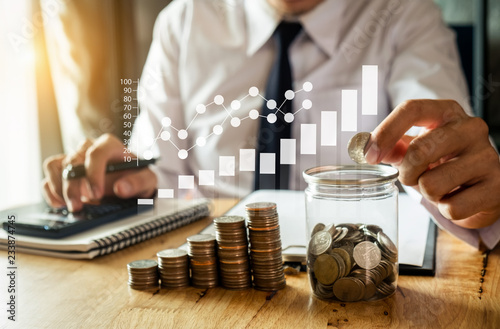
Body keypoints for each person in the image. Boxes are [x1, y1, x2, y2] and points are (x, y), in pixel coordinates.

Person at [42, 0, 500, 248]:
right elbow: (162, 173)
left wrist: (471, 194)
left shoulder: (404, 14)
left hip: (349, 266)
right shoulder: (183, 21)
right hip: (216, 277)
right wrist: (124, 181)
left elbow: (447, 160)